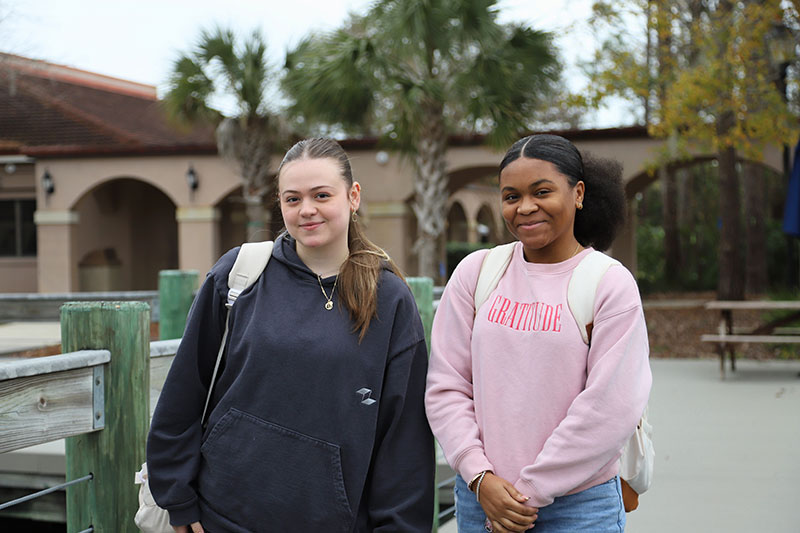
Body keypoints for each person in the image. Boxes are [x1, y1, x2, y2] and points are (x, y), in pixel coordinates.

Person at [147, 138, 434, 532]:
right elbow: (185, 389)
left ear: (353, 197)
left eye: (321, 195)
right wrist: (177, 497)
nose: (307, 210)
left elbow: (403, 437)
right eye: (292, 199)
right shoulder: (240, 275)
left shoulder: (390, 300)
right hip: (220, 516)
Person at [425, 134, 652, 532]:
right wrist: (480, 478)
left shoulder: (608, 284)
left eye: (542, 192)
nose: (525, 207)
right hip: (482, 500)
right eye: (511, 196)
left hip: (580, 509)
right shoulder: (477, 273)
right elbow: (447, 386)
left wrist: (524, 493)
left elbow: (609, 408)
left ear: (578, 193)